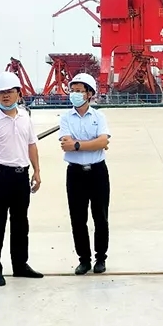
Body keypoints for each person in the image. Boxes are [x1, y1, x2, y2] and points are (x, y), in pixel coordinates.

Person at [0, 72, 43, 287]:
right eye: (1, 92)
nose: (5, 96)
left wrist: (37, 171)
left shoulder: (25, 117)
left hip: (21, 177)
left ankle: (20, 265)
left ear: (18, 94)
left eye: (10, 92)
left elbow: (32, 145)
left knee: (21, 224)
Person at [59, 73, 112, 275]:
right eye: (72, 90)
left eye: (79, 91)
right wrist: (92, 144)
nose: (75, 94)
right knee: (78, 218)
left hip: (98, 172)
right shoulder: (65, 118)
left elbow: (103, 141)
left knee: (101, 217)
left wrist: (78, 144)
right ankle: (84, 260)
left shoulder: (99, 117)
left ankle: (101, 258)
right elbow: (66, 144)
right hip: (75, 174)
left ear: (89, 94)